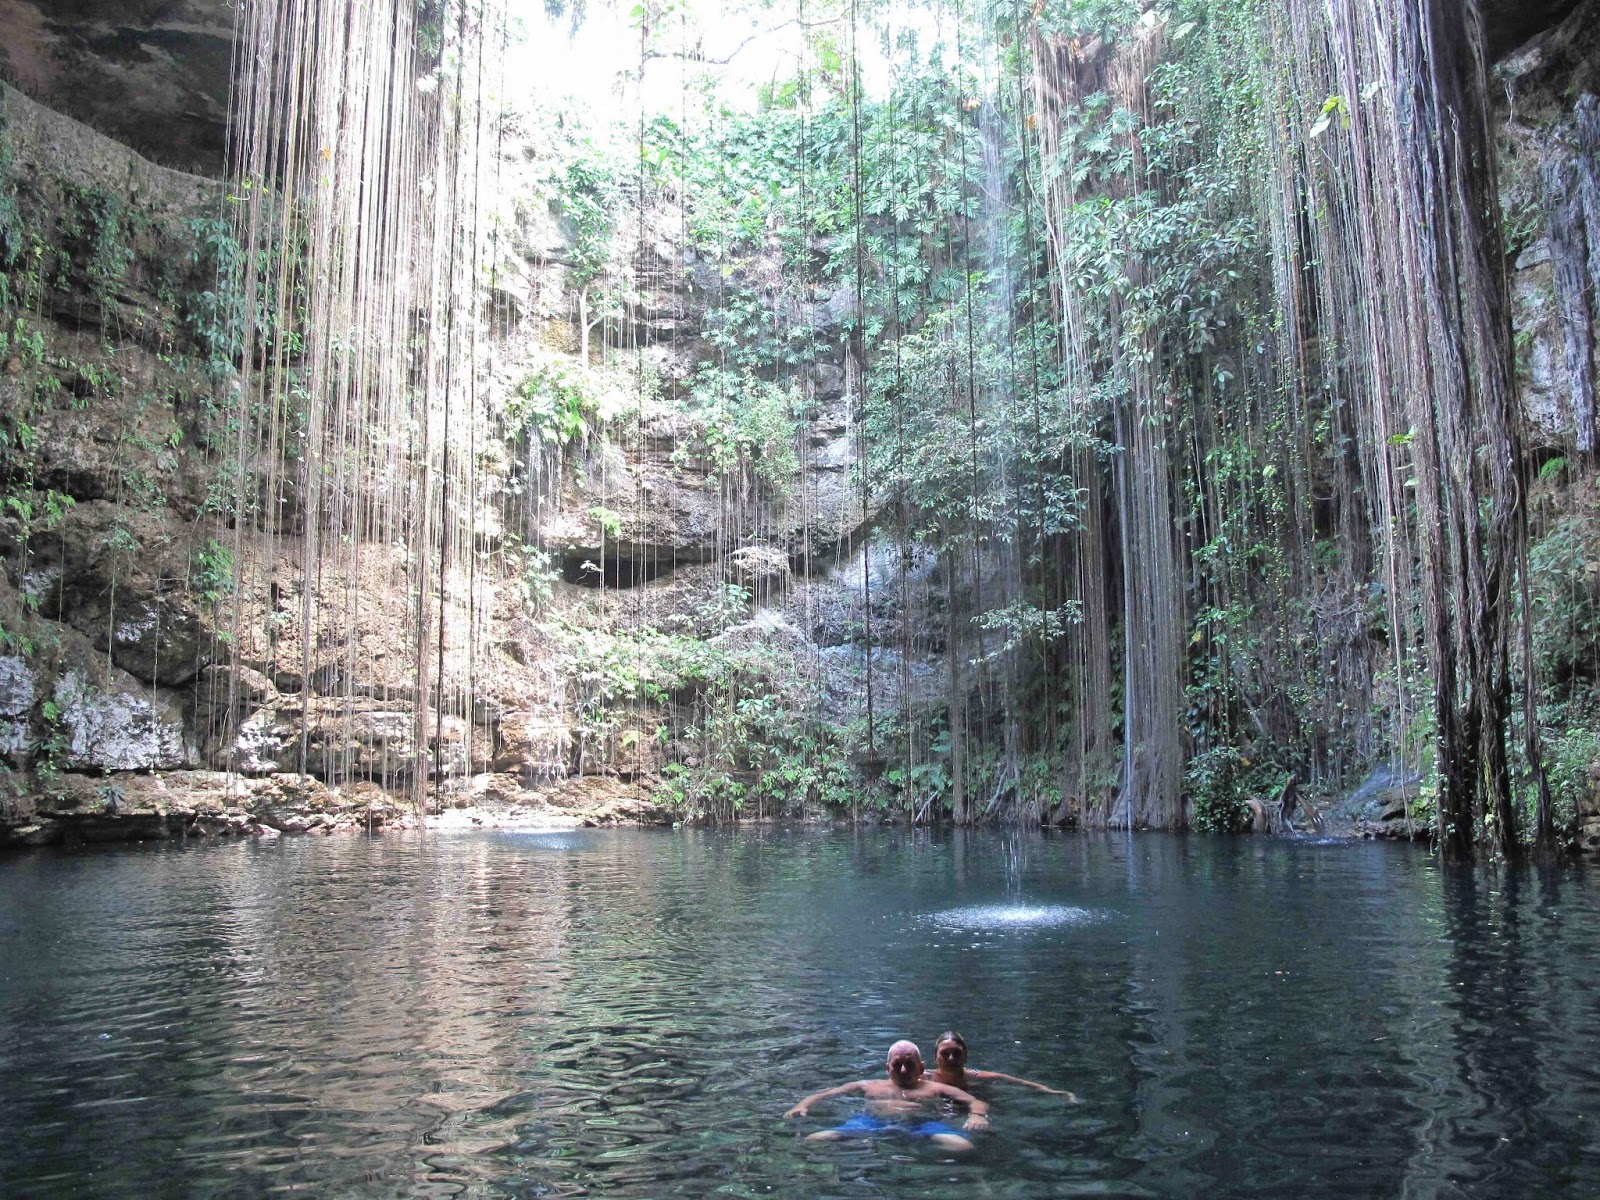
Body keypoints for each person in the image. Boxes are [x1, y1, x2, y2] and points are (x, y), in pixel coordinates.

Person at [784, 1039, 989, 1152]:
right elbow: (826, 1094)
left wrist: (976, 1115)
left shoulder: (933, 1088)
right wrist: (802, 1106)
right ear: (887, 1068)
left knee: (964, 1148)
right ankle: (862, 1144)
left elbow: (973, 1101)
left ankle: (920, 1148)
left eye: (908, 1064)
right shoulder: (869, 1086)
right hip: (870, 1123)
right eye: (896, 1065)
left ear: (921, 1067)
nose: (902, 1070)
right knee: (814, 1140)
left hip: (922, 1125)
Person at [928, 1030, 1079, 1101]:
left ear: (965, 1056)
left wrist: (1061, 1094)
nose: (951, 1058)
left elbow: (1027, 1085)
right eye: (945, 1053)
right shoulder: (925, 1078)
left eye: (956, 1053)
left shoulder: (981, 1078)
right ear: (936, 1058)